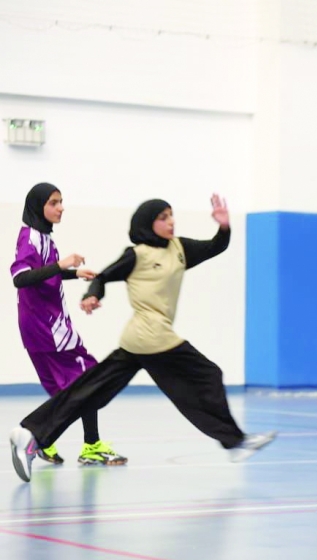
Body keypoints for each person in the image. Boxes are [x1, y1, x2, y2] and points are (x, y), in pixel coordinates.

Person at [8, 195, 276, 483]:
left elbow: (215, 247)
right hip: (153, 337)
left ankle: (30, 433)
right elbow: (104, 276)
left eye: (171, 215)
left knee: (91, 391)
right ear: (148, 224)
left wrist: (223, 227)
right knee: (208, 375)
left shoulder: (180, 249)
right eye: (163, 218)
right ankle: (235, 442)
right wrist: (93, 295)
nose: (170, 222)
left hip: (138, 341)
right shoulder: (137, 255)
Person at [10, 182, 126, 467]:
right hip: (48, 326)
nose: (61, 208)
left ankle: (44, 441)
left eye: (61, 202)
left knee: (65, 390)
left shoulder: (43, 237)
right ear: (38, 206)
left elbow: (42, 274)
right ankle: (89, 446)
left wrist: (74, 273)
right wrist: (62, 265)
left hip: (35, 326)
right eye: (53, 202)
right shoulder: (31, 238)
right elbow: (21, 278)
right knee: (88, 378)